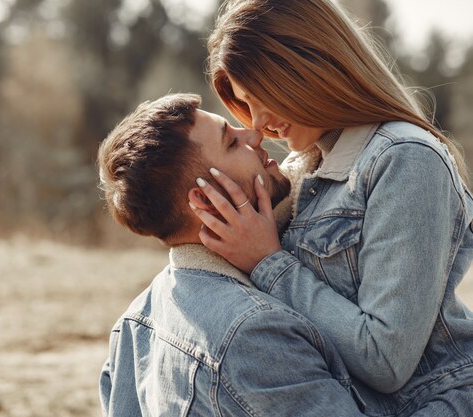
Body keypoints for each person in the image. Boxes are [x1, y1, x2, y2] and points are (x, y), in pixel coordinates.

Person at [188, 0, 473, 416]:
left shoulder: (405, 158)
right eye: (247, 104)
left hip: (431, 402)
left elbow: (386, 360)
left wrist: (267, 261)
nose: (256, 124)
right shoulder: (303, 165)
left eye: (265, 97)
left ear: (312, 68)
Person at [97, 93, 366, 416]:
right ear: (207, 200)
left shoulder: (133, 323)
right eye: (231, 143)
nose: (254, 134)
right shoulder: (254, 335)